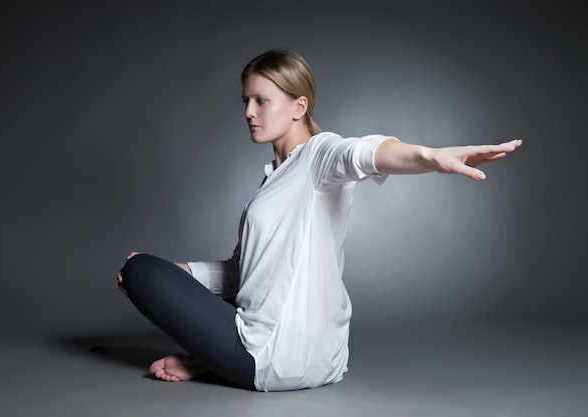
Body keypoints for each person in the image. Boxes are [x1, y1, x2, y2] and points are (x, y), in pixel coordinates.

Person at [116, 47, 522, 392]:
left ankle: (219, 361)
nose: (248, 112)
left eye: (261, 100)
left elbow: (365, 152)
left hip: (269, 357)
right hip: (326, 359)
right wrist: (180, 272)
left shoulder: (318, 156)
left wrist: (431, 157)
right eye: (245, 101)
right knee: (160, 272)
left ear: (299, 106)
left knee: (139, 272)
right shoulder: (277, 177)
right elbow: (245, 274)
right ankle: (210, 360)